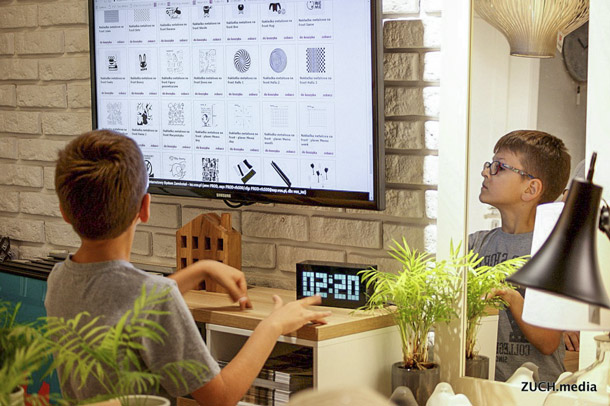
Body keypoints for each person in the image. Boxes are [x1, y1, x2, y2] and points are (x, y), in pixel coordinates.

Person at [44, 130, 332, 406]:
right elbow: (220, 399)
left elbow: (125, 300)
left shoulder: (59, 279)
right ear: (145, 207)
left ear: (64, 212)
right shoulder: (157, 298)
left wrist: (200, 270)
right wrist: (273, 325)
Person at [468, 130, 571, 383]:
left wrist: (510, 295)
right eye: (489, 165)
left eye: (499, 167)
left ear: (531, 188)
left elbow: (548, 341)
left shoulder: (552, 250)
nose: (485, 172)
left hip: (537, 393)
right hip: (484, 387)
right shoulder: (475, 245)